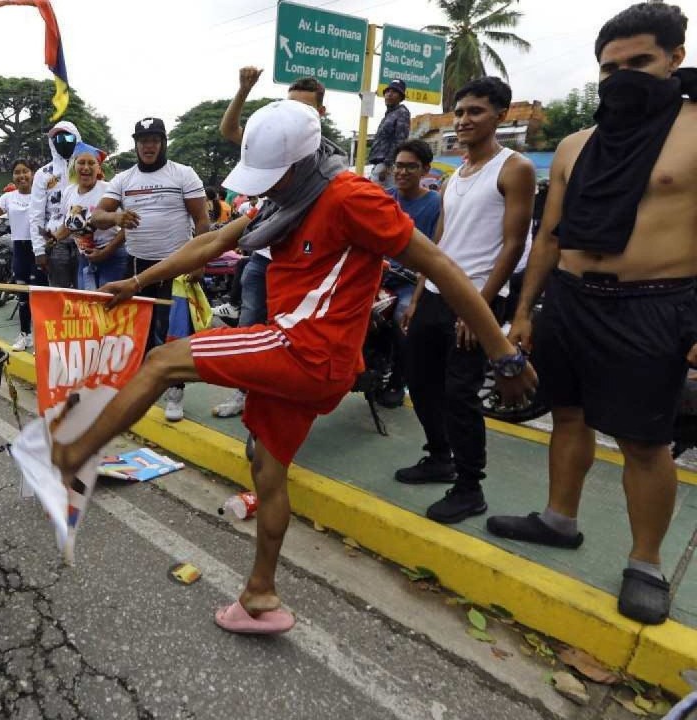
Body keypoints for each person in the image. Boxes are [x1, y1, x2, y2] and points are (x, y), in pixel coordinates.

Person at [46, 100, 535, 633]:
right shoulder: (283, 200)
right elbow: (213, 240)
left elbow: (440, 263)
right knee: (268, 473)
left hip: (305, 349)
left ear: (303, 162)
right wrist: (137, 283)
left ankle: (74, 454)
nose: (264, 185)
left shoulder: (352, 196)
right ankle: (260, 596)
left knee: (163, 361)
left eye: (271, 176)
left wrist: (504, 353)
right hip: (298, 351)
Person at [487, 3, 696, 625]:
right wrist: (525, 311)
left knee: (644, 440)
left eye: (640, 62)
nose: (622, 75)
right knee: (568, 416)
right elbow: (549, 238)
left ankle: (645, 563)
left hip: (654, 304)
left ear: (674, 59)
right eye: (610, 68)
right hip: (571, 301)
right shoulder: (579, 144)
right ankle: (559, 519)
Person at [396, 77, 536, 524]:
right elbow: (439, 243)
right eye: (459, 113)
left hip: (477, 298)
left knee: (461, 395)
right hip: (436, 295)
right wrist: (418, 295)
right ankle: (439, 456)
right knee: (420, 383)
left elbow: (513, 244)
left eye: (475, 111)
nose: (463, 121)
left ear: (500, 115)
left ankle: (469, 486)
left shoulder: (515, 168)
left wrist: (479, 305)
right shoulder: (455, 174)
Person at [210, 69, 337, 419]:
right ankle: (244, 392)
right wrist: (243, 90)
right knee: (250, 328)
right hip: (264, 259)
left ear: (319, 117)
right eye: (288, 108)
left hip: (306, 270)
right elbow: (229, 131)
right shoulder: (271, 149)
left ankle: (286, 403)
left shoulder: (336, 176)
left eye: (304, 112)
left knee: (295, 338)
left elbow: (425, 256)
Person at [92, 117, 209, 422]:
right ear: (136, 144)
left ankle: (175, 391)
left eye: (155, 139)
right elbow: (97, 215)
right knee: (139, 328)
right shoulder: (124, 179)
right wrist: (117, 218)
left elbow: (202, 220)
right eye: (143, 140)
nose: (149, 145)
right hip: (137, 265)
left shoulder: (183, 174)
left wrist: (199, 260)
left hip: (177, 265)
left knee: (174, 331)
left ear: (163, 142)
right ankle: (143, 385)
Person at [378, 139, 442, 409]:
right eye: (399, 166)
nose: (402, 172)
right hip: (378, 275)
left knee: (403, 319)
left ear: (425, 170)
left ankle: (398, 379)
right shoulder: (383, 198)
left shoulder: (436, 205)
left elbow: (435, 256)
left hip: (411, 282)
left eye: (411, 167)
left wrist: (417, 293)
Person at [52, 145, 127, 291]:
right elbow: (68, 226)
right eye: (81, 162)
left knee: (106, 307)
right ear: (74, 166)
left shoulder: (110, 190)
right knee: (87, 304)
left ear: (99, 168)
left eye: (91, 163)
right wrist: (52, 239)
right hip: (85, 259)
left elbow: (127, 226)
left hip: (112, 256)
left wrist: (106, 252)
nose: (86, 167)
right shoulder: (68, 192)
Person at [0, 159, 41, 352]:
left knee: (40, 296)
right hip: (19, 248)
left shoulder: (41, 194)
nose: (21, 176)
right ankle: (25, 335)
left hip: (39, 248)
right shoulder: (9, 198)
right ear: (13, 176)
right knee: (22, 295)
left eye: (25, 171)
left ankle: (42, 339)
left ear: (32, 173)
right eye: (17, 172)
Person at [29, 120, 83, 288]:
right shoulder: (44, 174)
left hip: (84, 242)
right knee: (59, 297)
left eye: (68, 138)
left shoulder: (87, 168)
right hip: (56, 244)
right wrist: (39, 250)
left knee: (86, 295)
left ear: (76, 139)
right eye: (58, 140)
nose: (63, 143)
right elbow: (36, 214)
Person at [369, 80, 412, 188]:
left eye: (394, 92)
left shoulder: (402, 112)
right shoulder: (389, 114)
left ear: (400, 97)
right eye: (388, 91)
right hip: (380, 164)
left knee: (378, 199)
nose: (389, 94)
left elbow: (400, 141)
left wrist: (388, 165)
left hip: (387, 166)